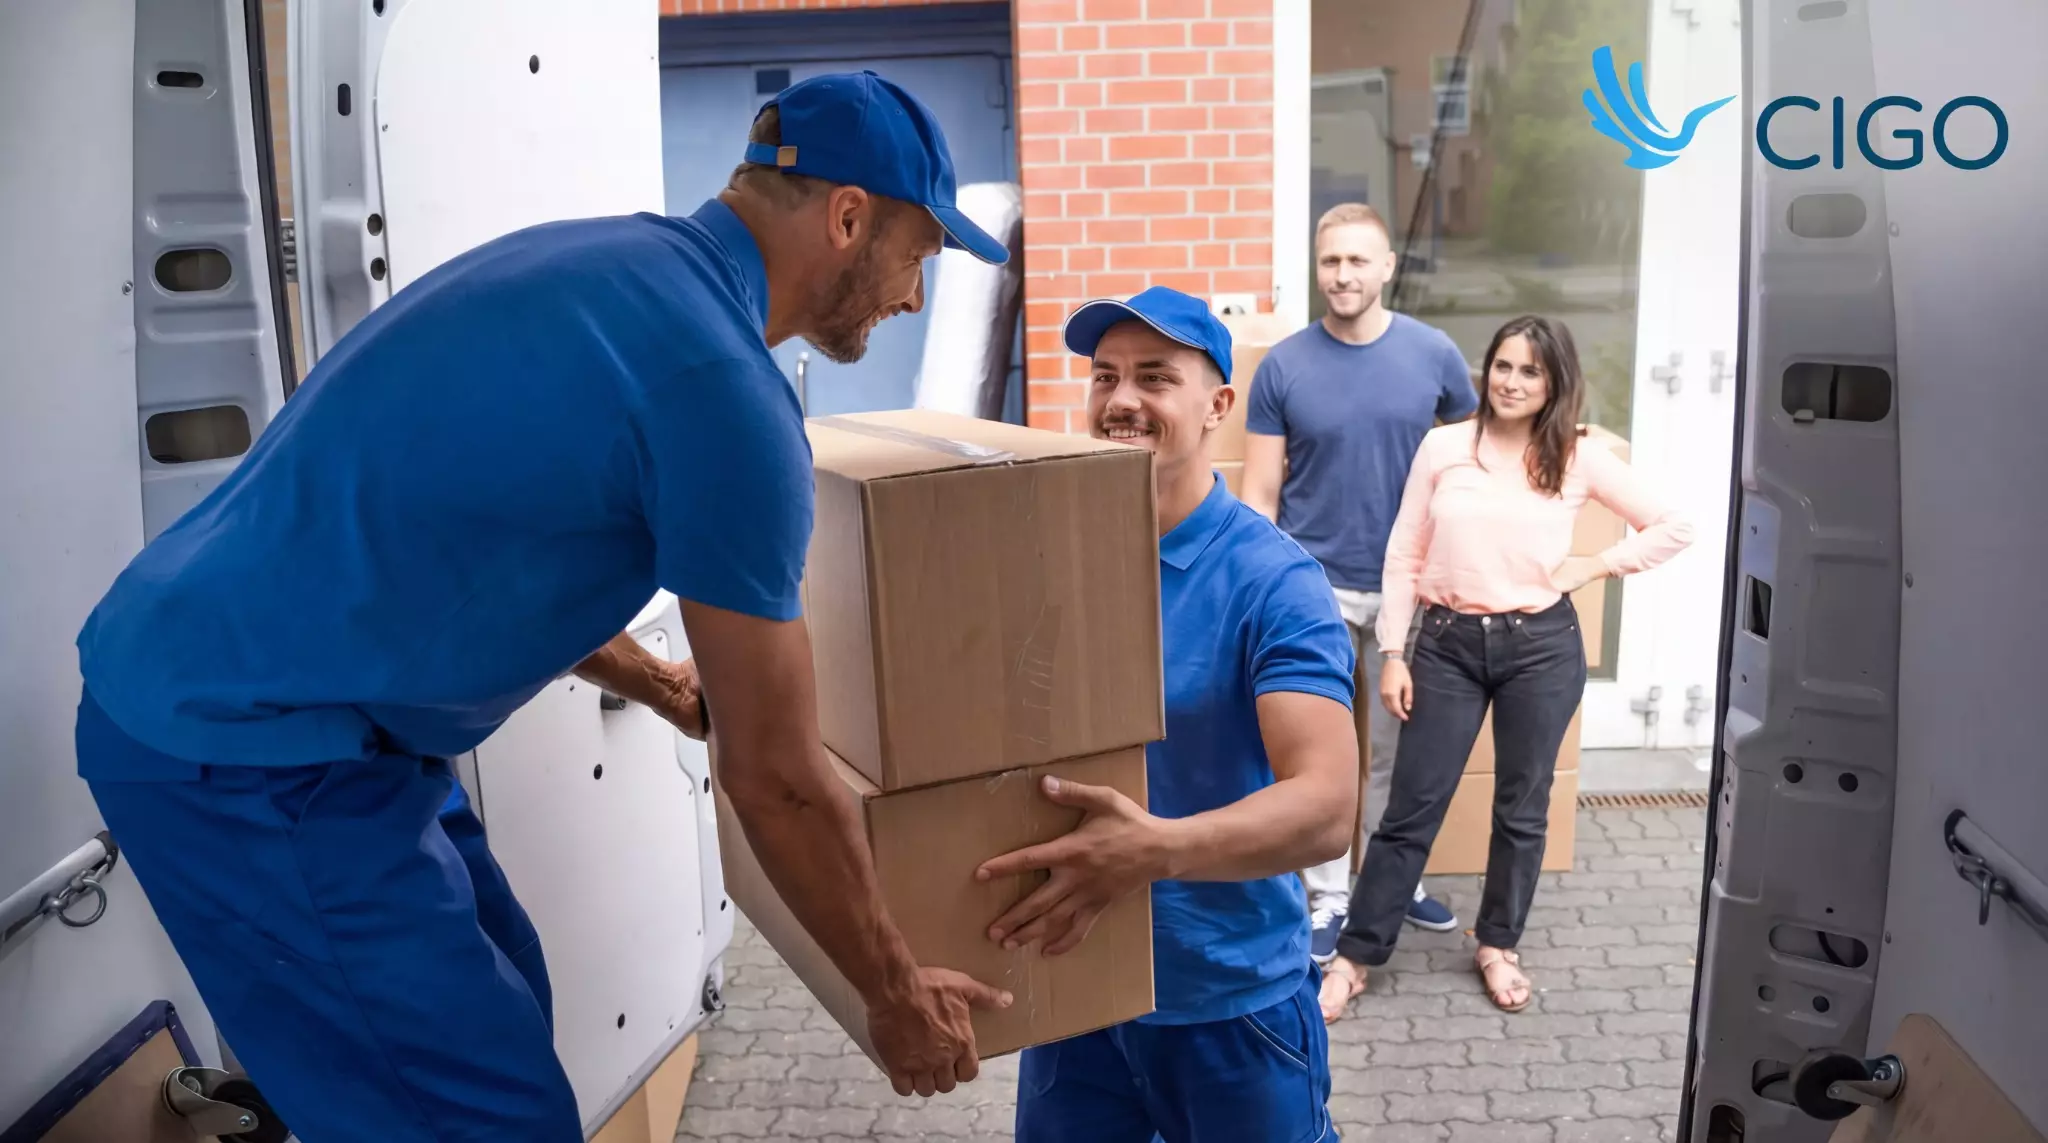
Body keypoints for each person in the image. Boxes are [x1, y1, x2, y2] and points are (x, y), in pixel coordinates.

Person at [69, 71, 1017, 1142]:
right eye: (918, 254)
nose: (914, 296)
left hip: (299, 711)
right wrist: (892, 997)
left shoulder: (602, 265)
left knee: (507, 1002)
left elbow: (508, 537)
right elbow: (779, 783)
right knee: (478, 1119)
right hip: (245, 751)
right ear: (848, 218)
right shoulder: (726, 402)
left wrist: (660, 683)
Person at [976, 287, 1358, 1143]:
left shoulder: (1273, 582)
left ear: (1217, 404)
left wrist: (1151, 851)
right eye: (1105, 376)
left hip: (1228, 1005)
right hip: (1079, 989)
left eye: (1154, 377)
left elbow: (1327, 806)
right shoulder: (1054, 565)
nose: (1121, 400)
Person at [1318, 315, 1695, 1021]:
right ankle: (1356, 955)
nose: (1511, 381)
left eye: (1530, 371)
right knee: (1410, 807)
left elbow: (1675, 525)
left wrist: (1595, 563)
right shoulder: (1444, 445)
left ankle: (1497, 943)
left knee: (1523, 808)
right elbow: (1403, 554)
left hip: (1541, 648)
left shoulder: (1575, 456)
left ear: (1553, 383)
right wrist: (1395, 652)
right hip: (1448, 645)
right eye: (1502, 365)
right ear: (1483, 370)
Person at [1239, 203, 1480, 963]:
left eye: (1356, 261)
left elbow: (1477, 462)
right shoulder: (1284, 365)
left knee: (1397, 754)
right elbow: (1259, 494)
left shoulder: (1434, 355)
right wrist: (1262, 591)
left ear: (1386, 269)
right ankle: (1329, 895)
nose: (1342, 275)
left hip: (1411, 594)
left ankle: (1391, 880)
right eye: (1330, 261)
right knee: (1326, 750)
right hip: (1315, 589)